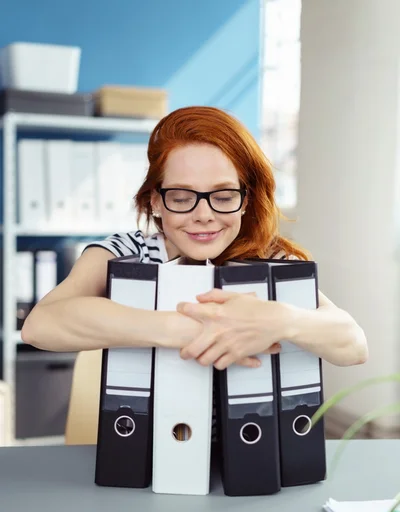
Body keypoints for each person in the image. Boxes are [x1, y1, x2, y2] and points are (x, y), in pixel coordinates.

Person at [21, 106, 368, 371]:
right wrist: (187, 329)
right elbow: (40, 325)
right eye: (183, 197)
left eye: (223, 195)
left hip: (254, 446)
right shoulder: (126, 252)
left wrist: (280, 320)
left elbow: (353, 345)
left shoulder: (270, 258)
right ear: (155, 200)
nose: (204, 214)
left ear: (246, 199)